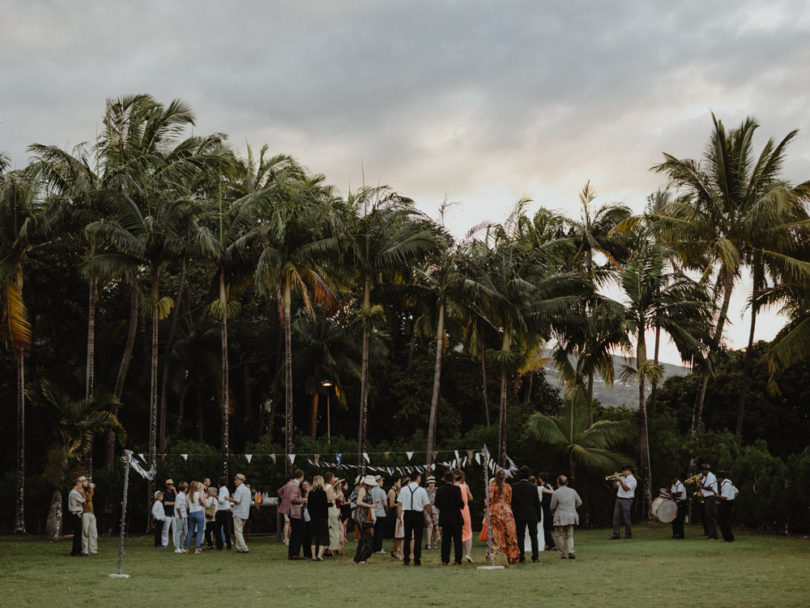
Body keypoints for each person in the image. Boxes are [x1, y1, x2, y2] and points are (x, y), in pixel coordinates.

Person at [488, 468, 519, 565]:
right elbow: (509, 500)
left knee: (497, 535)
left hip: (496, 511)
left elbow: (489, 500)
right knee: (510, 534)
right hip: (507, 511)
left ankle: (497, 557)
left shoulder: (492, 487)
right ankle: (512, 556)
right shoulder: (508, 487)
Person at [511, 466, 543, 563]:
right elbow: (537, 502)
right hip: (531, 514)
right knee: (534, 536)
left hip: (519, 514)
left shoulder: (514, 486)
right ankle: (535, 556)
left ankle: (521, 556)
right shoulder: (533, 487)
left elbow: (513, 502)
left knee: (520, 536)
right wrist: (539, 516)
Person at [434, 470, 464, 565]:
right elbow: (460, 503)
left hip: (445, 517)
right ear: (453, 479)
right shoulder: (456, 489)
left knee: (445, 540)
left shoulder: (439, 490)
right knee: (457, 541)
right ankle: (457, 560)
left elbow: (437, 503)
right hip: (456, 517)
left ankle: (445, 560)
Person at [550, 474, 582, 560]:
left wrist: (554, 511)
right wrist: (572, 508)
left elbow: (552, 506)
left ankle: (563, 553)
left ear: (558, 483)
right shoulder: (573, 491)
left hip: (560, 516)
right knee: (570, 535)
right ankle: (571, 551)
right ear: (567, 482)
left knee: (559, 535)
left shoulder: (556, 492)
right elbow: (579, 502)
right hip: (571, 515)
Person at [278, 469, 307, 560]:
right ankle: (295, 553)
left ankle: (291, 554)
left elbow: (279, 491)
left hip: (290, 510)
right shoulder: (294, 485)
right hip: (295, 511)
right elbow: (293, 499)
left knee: (294, 532)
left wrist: (285, 500)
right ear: (301, 477)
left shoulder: (289, 484)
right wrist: (304, 500)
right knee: (299, 532)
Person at [353, 475, 378, 565]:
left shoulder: (367, 490)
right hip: (360, 517)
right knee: (368, 539)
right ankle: (362, 558)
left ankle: (358, 558)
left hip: (363, 516)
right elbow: (359, 502)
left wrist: (374, 503)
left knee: (363, 539)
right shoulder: (363, 489)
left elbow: (366, 502)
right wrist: (371, 506)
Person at [609, 465, 637, 540]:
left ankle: (628, 534)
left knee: (626, 518)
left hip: (627, 500)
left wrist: (620, 480)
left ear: (629, 471)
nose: (623, 472)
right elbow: (615, 487)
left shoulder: (632, 480)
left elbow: (626, 489)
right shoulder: (622, 478)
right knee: (616, 517)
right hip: (619, 499)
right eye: (623, 471)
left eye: (625, 471)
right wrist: (615, 479)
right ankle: (616, 534)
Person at [454, 469, 474, 563]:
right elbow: (470, 498)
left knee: (457, 532)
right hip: (465, 510)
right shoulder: (465, 486)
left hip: (456, 510)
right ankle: (468, 554)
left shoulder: (453, 486)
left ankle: (458, 554)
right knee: (468, 532)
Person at [228, 473, 252, 553]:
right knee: (239, 531)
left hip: (238, 512)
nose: (235, 481)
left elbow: (237, 501)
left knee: (238, 531)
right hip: (245, 512)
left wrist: (229, 499)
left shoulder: (239, 489)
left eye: (236, 480)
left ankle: (244, 548)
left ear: (241, 480)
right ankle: (239, 548)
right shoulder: (247, 489)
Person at [308, 475, 330, 560]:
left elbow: (309, 506)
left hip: (313, 518)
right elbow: (325, 507)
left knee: (313, 536)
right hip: (322, 518)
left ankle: (313, 555)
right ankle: (319, 555)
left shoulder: (310, 493)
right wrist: (327, 519)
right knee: (323, 536)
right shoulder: (323, 493)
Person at [716, 471, 739, 542]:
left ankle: (728, 538)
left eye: (717, 478)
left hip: (726, 504)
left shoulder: (726, 485)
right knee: (726, 521)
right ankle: (729, 537)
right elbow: (737, 492)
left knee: (723, 522)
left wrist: (717, 496)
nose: (717, 480)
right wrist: (732, 498)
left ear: (720, 478)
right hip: (729, 503)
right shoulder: (729, 482)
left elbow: (724, 497)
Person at [185, 480, 206, 553]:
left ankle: (187, 548)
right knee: (199, 531)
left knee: (190, 531)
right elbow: (204, 504)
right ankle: (196, 548)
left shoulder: (188, 495)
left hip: (191, 513)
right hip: (199, 512)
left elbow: (186, 507)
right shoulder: (199, 494)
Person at [699, 464, 719, 540]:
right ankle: (711, 535)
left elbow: (710, 488)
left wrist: (702, 486)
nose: (702, 472)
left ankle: (713, 536)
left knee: (711, 517)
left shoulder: (711, 476)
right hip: (706, 497)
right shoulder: (705, 477)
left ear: (706, 470)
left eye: (703, 470)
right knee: (708, 517)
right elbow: (702, 485)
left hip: (710, 497)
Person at [537, 472, 556, 550]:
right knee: (546, 528)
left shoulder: (544, 487)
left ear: (540, 479)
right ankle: (549, 544)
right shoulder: (548, 486)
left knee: (546, 528)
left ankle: (552, 544)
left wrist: (540, 503)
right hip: (549, 510)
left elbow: (548, 499)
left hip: (545, 510)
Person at [324, 472, 341, 555]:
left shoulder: (323, 486)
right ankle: (331, 548)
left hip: (325, 509)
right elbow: (330, 498)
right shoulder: (329, 487)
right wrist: (338, 496)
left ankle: (327, 547)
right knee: (334, 528)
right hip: (331, 509)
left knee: (328, 528)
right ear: (331, 478)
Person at [80, 476, 98, 556]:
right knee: (85, 532)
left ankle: (93, 550)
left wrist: (90, 489)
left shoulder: (87, 490)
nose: (87, 483)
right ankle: (85, 551)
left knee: (93, 532)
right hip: (85, 513)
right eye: (85, 481)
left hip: (91, 513)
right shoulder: (81, 491)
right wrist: (92, 488)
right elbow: (89, 498)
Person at [68, 477, 85, 556]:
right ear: (78, 484)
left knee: (78, 533)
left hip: (76, 513)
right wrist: (83, 494)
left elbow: (79, 502)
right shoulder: (74, 493)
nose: (82, 486)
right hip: (76, 514)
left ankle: (78, 550)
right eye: (81, 484)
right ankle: (75, 551)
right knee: (78, 534)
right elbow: (82, 500)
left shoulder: (73, 493)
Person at [215, 476, 233, 550]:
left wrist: (215, 496)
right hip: (227, 511)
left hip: (222, 511)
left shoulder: (222, 490)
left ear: (219, 484)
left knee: (218, 529)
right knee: (227, 529)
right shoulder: (226, 489)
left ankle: (220, 545)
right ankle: (229, 545)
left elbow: (221, 500)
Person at [667, 474, 687, 539]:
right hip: (675, 503)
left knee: (680, 520)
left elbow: (679, 494)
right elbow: (672, 493)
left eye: (672, 480)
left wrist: (671, 494)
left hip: (681, 503)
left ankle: (681, 535)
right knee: (674, 519)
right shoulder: (673, 485)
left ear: (676, 478)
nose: (671, 481)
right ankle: (675, 533)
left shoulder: (680, 485)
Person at [371, 476, 387, 553]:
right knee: (380, 532)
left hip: (373, 513)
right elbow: (385, 503)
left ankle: (373, 547)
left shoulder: (371, 491)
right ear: (378, 482)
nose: (382, 482)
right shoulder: (382, 491)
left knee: (374, 531)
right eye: (381, 481)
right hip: (380, 513)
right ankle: (378, 548)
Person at [388, 478, 403, 559]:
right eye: (399, 482)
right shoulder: (392, 491)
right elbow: (391, 504)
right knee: (396, 533)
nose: (400, 483)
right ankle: (395, 551)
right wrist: (400, 504)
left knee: (398, 533)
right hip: (392, 513)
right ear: (395, 483)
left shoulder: (397, 491)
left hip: (396, 512)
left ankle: (397, 549)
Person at [424, 475, 440, 550]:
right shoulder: (424, 490)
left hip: (436, 509)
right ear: (428, 483)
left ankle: (435, 543)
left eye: (433, 482)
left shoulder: (437, 490)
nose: (432, 484)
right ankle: (428, 543)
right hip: (427, 509)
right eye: (430, 483)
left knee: (436, 526)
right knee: (430, 525)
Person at [174, 481, 189, 553]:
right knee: (179, 531)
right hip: (180, 516)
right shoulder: (179, 496)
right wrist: (180, 515)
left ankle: (181, 546)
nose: (187, 489)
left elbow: (185, 506)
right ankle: (177, 547)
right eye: (186, 487)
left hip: (185, 515)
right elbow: (177, 507)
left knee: (185, 531)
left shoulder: (184, 495)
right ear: (184, 488)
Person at [161, 479, 176, 549]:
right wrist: (174, 503)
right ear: (167, 485)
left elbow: (178, 498)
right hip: (167, 514)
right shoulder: (164, 493)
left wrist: (175, 490)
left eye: (172, 484)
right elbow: (165, 503)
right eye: (170, 484)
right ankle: (164, 543)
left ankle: (176, 543)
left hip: (174, 514)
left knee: (175, 529)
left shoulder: (173, 492)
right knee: (165, 529)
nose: (171, 485)